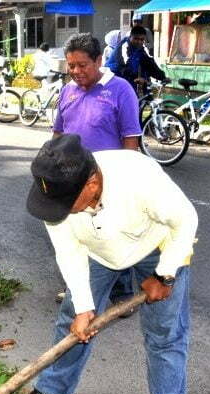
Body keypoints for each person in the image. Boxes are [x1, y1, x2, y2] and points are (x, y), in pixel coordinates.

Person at [22, 134, 198, 394]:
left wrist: (166, 274)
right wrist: (82, 308)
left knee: (165, 334)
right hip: (98, 252)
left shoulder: (138, 177)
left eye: (67, 203)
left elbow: (186, 220)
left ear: (92, 184)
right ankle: (53, 390)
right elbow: (68, 252)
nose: (58, 211)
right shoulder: (54, 194)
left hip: (156, 245)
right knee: (72, 318)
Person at [53, 33, 143, 306]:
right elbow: (58, 133)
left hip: (109, 178)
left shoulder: (120, 89)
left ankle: (122, 293)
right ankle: (78, 290)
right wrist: (53, 168)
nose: (76, 72)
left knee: (112, 234)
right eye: (71, 66)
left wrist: (127, 178)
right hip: (74, 177)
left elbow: (131, 138)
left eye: (82, 65)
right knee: (77, 234)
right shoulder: (67, 91)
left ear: (99, 60)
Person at [107, 26, 166, 96]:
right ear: (130, 37)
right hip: (114, 80)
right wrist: (136, 78)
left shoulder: (140, 49)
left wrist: (162, 77)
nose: (139, 42)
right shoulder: (124, 47)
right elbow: (123, 67)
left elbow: (149, 63)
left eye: (142, 39)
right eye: (136, 39)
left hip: (128, 81)